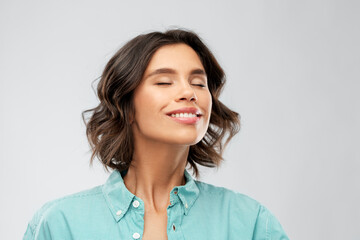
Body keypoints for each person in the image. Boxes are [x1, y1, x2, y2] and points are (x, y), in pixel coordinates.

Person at [23, 29, 289, 240]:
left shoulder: (251, 223)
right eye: (164, 82)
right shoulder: (60, 224)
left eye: (198, 83)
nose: (189, 92)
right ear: (126, 106)